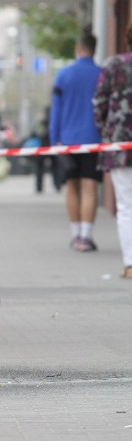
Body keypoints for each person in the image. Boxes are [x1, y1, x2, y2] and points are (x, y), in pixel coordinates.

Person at [50, 30, 102, 251]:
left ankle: (75, 235)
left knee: (72, 187)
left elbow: (56, 111)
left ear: (78, 49)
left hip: (68, 140)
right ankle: (87, 235)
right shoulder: (102, 74)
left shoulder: (63, 75)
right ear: (93, 50)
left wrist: (55, 141)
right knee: (90, 187)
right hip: (94, 139)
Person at [93, 22, 132, 278]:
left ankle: (130, 264)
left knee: (127, 206)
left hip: (120, 143)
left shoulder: (114, 64)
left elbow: (99, 103)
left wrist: (105, 131)